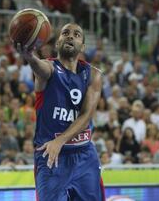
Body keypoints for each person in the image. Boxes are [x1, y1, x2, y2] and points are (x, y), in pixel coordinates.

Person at [13, 23, 105, 200]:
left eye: (77, 34)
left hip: (84, 156)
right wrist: (30, 57)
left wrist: (60, 140)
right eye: (65, 33)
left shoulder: (93, 75)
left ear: (83, 46)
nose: (70, 36)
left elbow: (86, 116)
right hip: (51, 156)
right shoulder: (48, 68)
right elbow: (40, 68)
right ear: (57, 43)